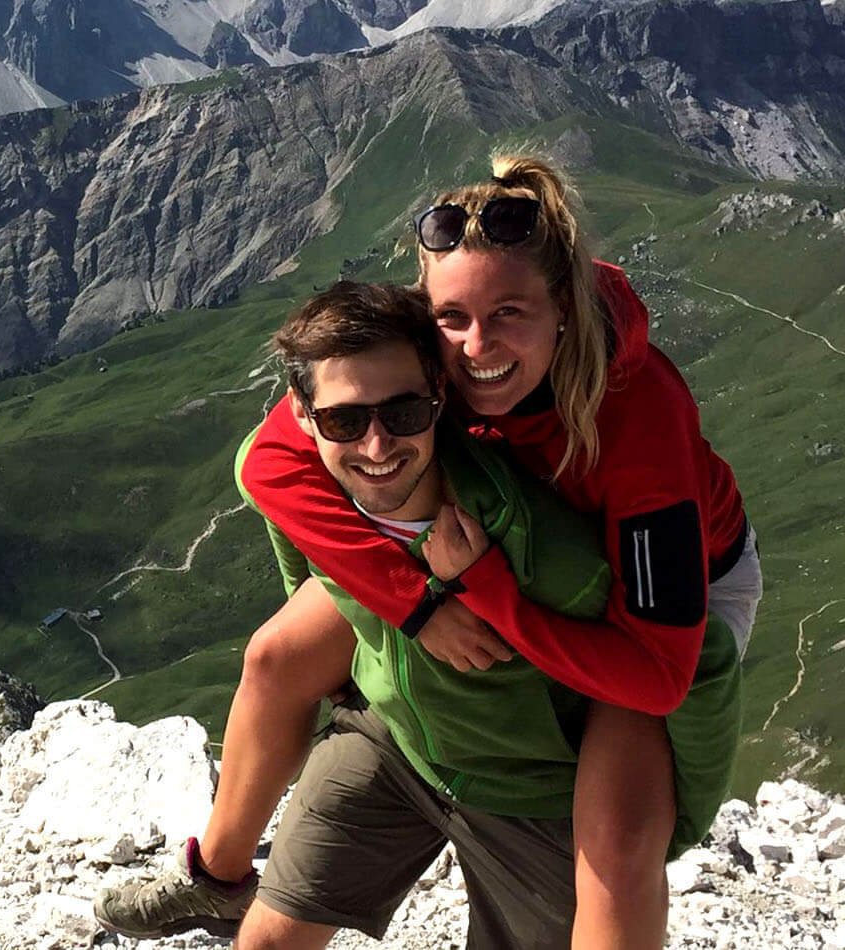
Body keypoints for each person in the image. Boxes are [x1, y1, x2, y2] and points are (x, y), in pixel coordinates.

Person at [95, 155, 760, 947]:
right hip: (475, 544)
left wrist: (488, 595)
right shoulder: (414, 354)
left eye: (510, 313)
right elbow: (270, 464)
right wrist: (413, 607)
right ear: (426, 305)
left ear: (564, 311)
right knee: (277, 657)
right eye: (454, 317)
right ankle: (218, 882)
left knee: (615, 846)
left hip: (653, 593)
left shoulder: (636, 412)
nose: (477, 346)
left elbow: (656, 675)